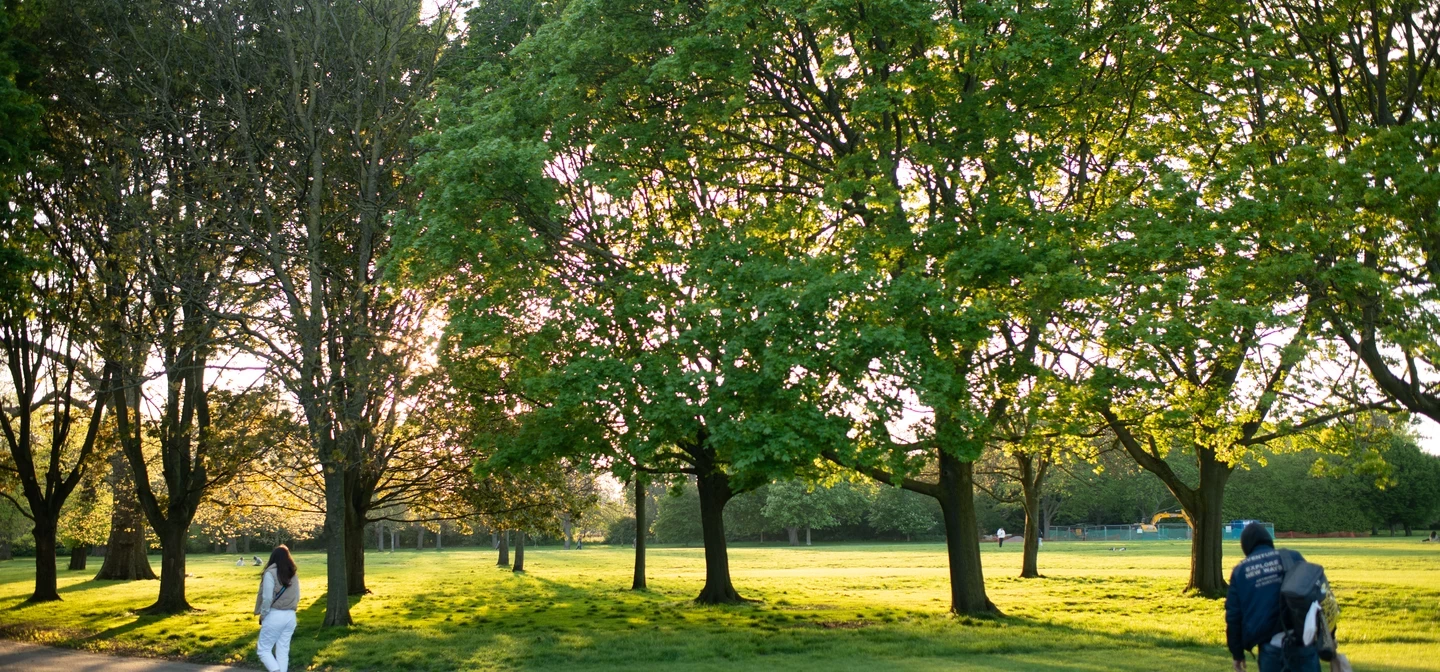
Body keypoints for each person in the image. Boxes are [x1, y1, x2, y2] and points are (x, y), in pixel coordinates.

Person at [1225, 523, 1319, 672]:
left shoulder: (1240, 572)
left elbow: (1234, 617)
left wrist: (1237, 653)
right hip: (1303, 642)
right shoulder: (1292, 557)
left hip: (1270, 647)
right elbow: (1316, 594)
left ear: (1246, 546)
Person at [254, 545, 300, 672]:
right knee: (283, 651)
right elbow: (298, 596)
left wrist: (263, 614)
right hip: (291, 616)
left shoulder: (270, 573)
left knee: (263, 650)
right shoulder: (293, 574)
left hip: (274, 615)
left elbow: (267, 598)